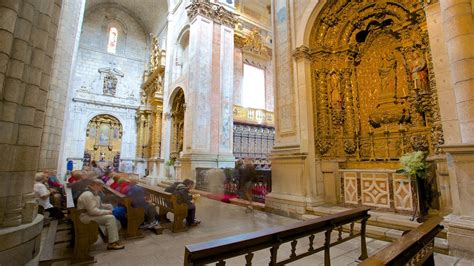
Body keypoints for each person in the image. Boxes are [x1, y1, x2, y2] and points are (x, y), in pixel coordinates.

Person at [76, 178, 124, 250]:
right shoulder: (88, 195)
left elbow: (97, 205)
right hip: (85, 217)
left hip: (88, 214)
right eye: (101, 187)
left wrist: (107, 206)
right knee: (110, 218)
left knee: (110, 210)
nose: (102, 189)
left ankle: (109, 236)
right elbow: (92, 211)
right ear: (96, 185)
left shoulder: (92, 193)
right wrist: (108, 212)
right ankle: (112, 243)